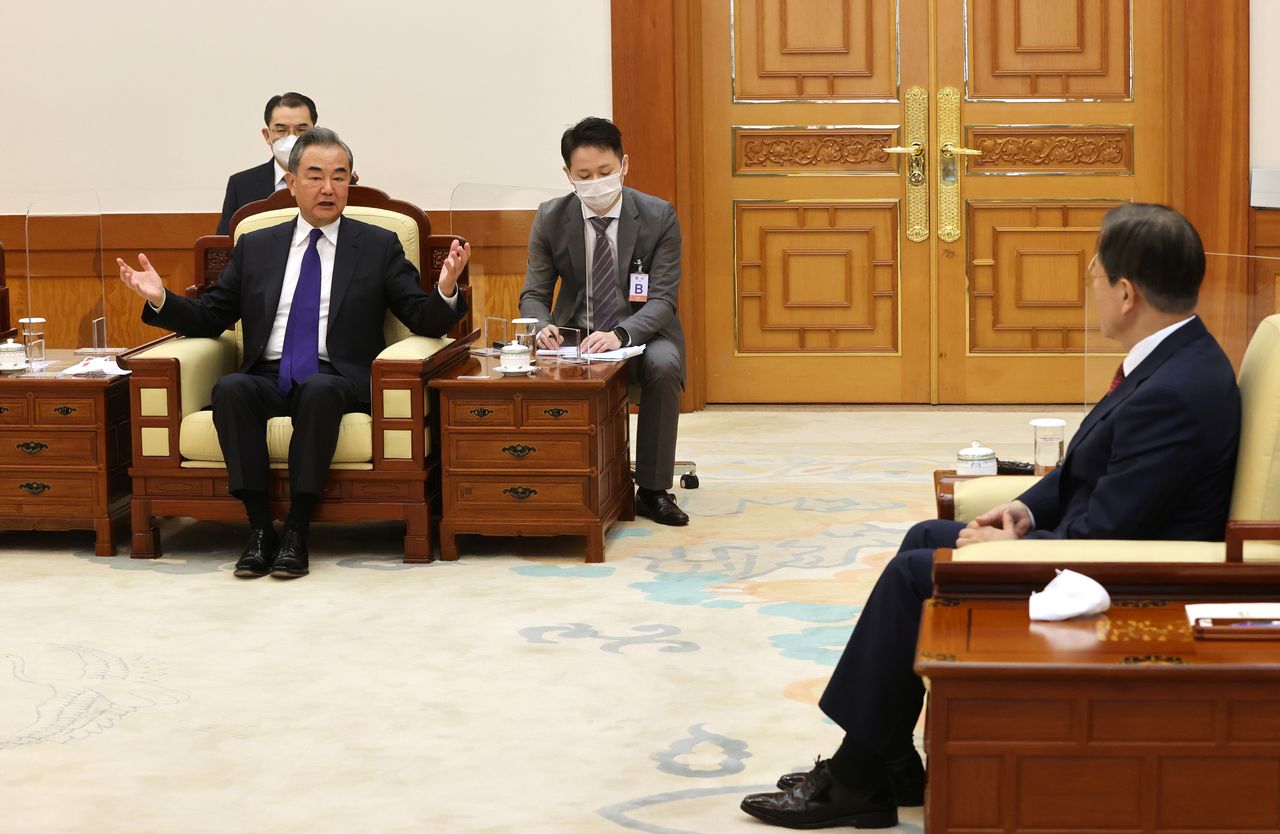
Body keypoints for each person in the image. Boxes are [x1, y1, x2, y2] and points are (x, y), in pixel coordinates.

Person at [740, 203, 1241, 829]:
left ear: (1125, 293)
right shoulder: (1173, 359)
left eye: (1093, 275)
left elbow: (1108, 536)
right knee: (926, 536)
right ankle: (891, 759)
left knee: (914, 574)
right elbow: (1090, 472)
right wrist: (1024, 511)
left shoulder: (1176, 393)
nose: (1088, 288)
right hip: (1097, 548)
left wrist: (1007, 552)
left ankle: (855, 778)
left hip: (1129, 585)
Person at [118, 128, 469, 580]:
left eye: (339, 177)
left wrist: (445, 289)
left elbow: (422, 319)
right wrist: (161, 298)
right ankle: (260, 529)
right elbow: (211, 316)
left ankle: (298, 530)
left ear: (351, 183)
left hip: (336, 377)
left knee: (319, 390)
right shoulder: (257, 246)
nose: (328, 188)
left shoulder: (377, 245)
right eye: (315, 176)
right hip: (268, 374)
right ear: (291, 181)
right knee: (231, 389)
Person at [521, 117, 689, 526]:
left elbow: (663, 300)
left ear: (624, 165)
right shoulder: (550, 217)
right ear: (568, 175)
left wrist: (620, 334)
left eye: (605, 172)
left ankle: (652, 490)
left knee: (664, 364)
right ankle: (562, 481)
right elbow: (534, 294)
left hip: (641, 331)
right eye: (584, 176)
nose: (596, 183)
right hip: (575, 334)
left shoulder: (658, 216)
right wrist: (541, 325)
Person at [216, 92, 317, 235]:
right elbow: (225, 242)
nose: (291, 139)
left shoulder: (339, 182)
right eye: (281, 130)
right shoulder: (241, 185)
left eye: (301, 130)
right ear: (267, 135)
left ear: (315, 134)